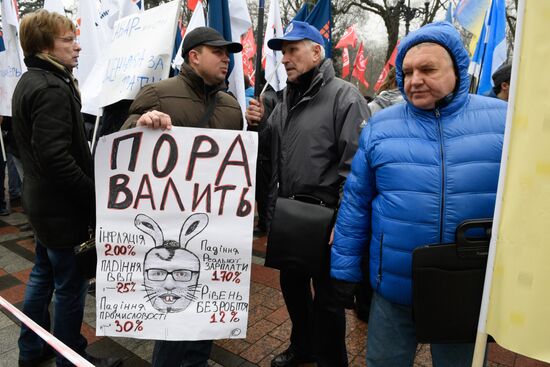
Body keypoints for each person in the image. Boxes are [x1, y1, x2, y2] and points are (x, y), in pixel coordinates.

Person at [330, 22, 507, 367]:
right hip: (394, 289)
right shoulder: (380, 126)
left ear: (456, 70)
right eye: (407, 71)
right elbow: (356, 206)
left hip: (467, 288)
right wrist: (344, 271)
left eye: (427, 69)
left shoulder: (503, 122)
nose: (414, 80)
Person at [246, 21, 370, 367]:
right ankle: (303, 347)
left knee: (329, 302)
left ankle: (332, 361)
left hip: (328, 218)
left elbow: (357, 167)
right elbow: (271, 156)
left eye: (293, 49)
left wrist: (344, 222)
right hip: (291, 216)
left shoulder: (345, 96)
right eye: (282, 52)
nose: (285, 58)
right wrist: (259, 125)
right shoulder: (285, 100)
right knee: (293, 289)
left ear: (317, 51)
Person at [121, 26, 243, 367]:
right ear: (193, 56)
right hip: (169, 230)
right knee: (172, 325)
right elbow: (119, 146)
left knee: (203, 313)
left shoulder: (232, 106)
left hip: (214, 230)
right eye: (217, 51)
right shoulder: (158, 94)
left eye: (228, 52)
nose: (226, 58)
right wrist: (139, 123)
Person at [12, 9, 120, 367]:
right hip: (61, 210)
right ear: (45, 46)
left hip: (44, 205)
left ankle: (32, 350)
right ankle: (69, 358)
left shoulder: (34, 79)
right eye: (68, 40)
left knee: (43, 275)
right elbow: (57, 159)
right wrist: (93, 196)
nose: (77, 47)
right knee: (69, 286)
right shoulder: (51, 88)